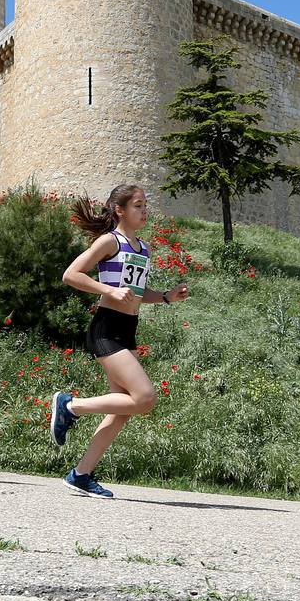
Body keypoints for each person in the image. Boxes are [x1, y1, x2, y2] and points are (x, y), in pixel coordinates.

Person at [54, 184, 189, 498]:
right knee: (145, 397)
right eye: (138, 205)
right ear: (120, 210)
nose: (144, 211)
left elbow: (137, 294)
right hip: (105, 329)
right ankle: (70, 406)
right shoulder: (108, 241)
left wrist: (167, 297)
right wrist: (108, 290)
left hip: (127, 329)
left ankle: (81, 474)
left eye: (145, 205)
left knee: (123, 410)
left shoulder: (142, 248)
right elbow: (71, 274)